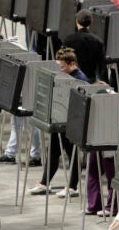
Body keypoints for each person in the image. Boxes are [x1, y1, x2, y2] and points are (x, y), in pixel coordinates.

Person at [27, 48, 87, 197]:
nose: (59, 70)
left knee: (71, 154)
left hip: (72, 123)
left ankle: (72, 187)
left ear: (72, 63)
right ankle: (44, 183)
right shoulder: (64, 76)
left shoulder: (80, 80)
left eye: (62, 67)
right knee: (53, 151)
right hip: (60, 120)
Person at [62, 9, 108, 84]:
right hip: (91, 81)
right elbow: (102, 67)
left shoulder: (68, 40)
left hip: (73, 79)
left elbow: (63, 61)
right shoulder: (98, 41)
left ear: (76, 21)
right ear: (91, 22)